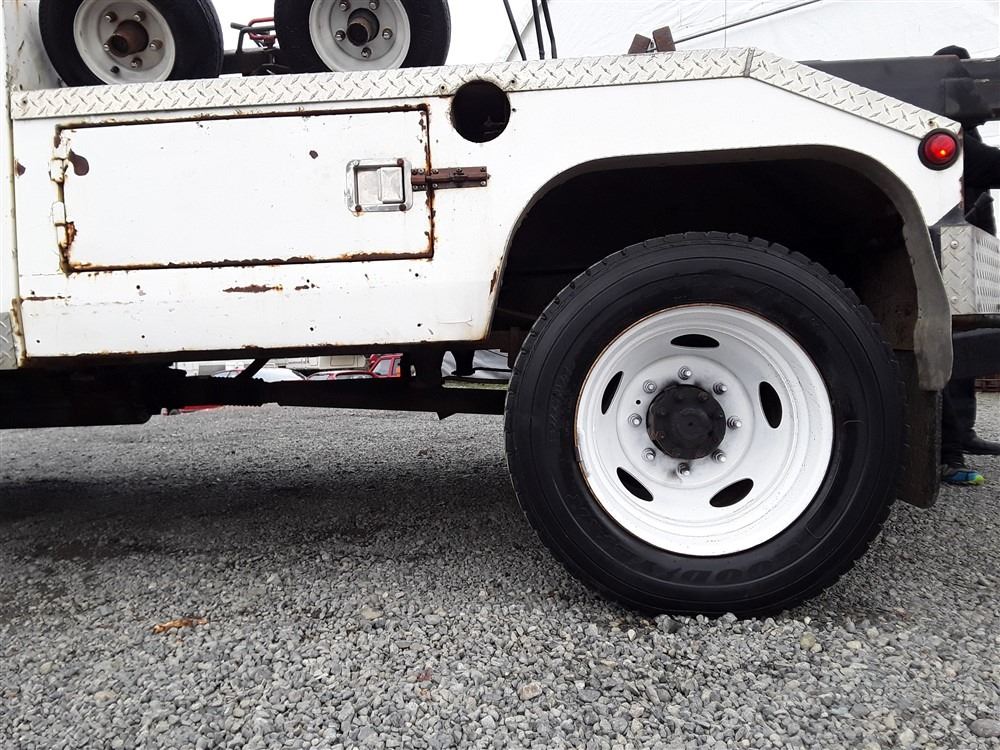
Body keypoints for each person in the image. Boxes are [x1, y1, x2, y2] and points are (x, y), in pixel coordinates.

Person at [934, 46, 1000, 486]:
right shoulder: (942, 125)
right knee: (947, 348)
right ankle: (948, 451)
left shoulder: (966, 131)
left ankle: (963, 436)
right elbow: (987, 165)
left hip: (969, 253)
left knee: (964, 345)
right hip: (946, 250)